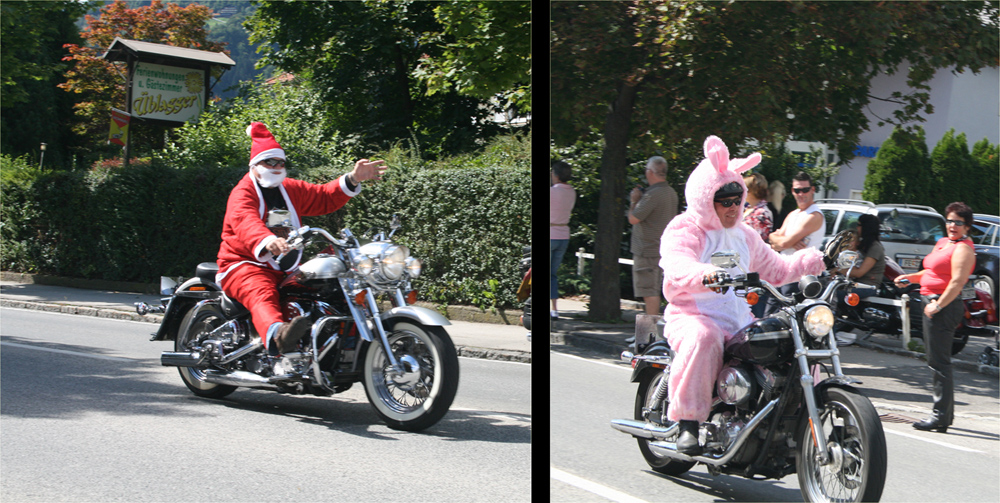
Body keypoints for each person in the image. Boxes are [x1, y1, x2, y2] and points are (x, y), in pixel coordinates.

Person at [659, 136, 824, 454]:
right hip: (692, 315)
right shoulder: (686, 228)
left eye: (737, 199)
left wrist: (821, 260)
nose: (734, 206)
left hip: (738, 320)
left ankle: (803, 419)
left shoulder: (745, 235)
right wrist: (705, 274)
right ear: (707, 199)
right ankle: (688, 423)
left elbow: (777, 269)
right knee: (704, 337)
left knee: (788, 340)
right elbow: (677, 263)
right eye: (724, 200)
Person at [217, 122, 386, 356]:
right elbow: (244, 219)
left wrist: (353, 179)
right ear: (255, 164)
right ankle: (279, 336)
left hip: (285, 266)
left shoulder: (290, 188)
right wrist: (267, 240)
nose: (276, 167)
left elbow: (322, 196)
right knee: (261, 292)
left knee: (329, 282)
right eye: (270, 162)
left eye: (280, 162)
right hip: (244, 264)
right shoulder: (243, 191)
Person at [894, 202, 976, 434]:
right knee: (935, 360)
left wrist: (938, 305)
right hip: (930, 301)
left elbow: (957, 282)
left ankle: (940, 417)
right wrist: (910, 277)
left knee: (939, 363)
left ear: (967, 227)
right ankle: (944, 415)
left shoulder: (964, 249)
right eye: (949, 221)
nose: (952, 226)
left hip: (943, 306)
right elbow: (930, 272)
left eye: (958, 223)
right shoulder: (943, 243)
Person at [763, 171, 826, 315]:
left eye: (805, 190)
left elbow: (782, 243)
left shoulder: (814, 215)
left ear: (813, 190)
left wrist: (784, 242)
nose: (801, 194)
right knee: (769, 319)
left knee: (790, 323)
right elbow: (772, 238)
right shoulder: (793, 214)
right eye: (797, 190)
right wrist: (787, 242)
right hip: (781, 273)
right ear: (792, 191)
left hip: (799, 278)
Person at [628, 156, 679, 315]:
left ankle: (649, 335)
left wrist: (633, 201)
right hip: (663, 249)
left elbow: (633, 218)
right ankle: (653, 333)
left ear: (650, 172)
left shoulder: (652, 195)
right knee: (657, 291)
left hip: (647, 250)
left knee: (649, 292)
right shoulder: (671, 192)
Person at [550, 160, 576, 319]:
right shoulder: (572, 192)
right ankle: (554, 309)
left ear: (557, 176)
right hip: (564, 235)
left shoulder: (552, 192)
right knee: (552, 274)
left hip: (551, 232)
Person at [742, 172, 772, 242]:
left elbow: (759, 240)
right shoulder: (746, 208)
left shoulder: (762, 212)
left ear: (751, 191)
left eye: (744, 189)